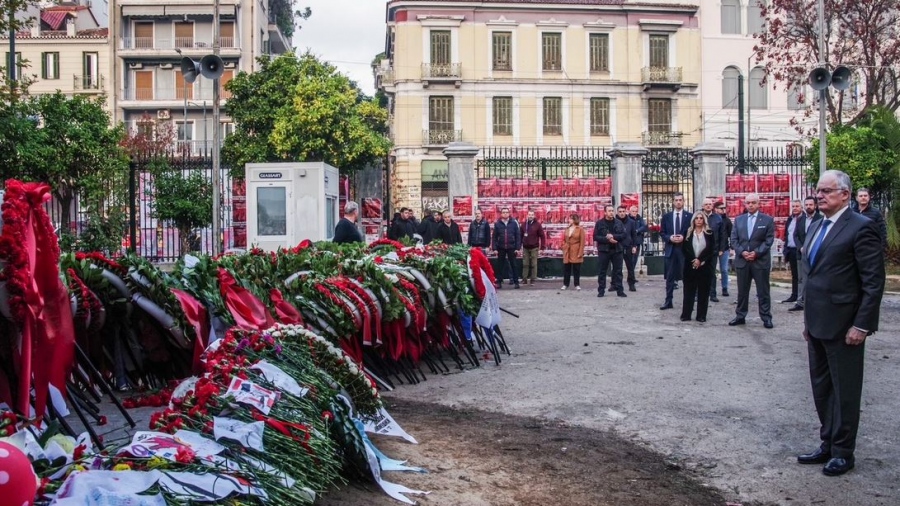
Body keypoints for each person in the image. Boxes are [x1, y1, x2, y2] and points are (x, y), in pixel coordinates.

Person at [797, 170, 884, 477]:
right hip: (817, 323)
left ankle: (844, 452)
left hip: (845, 327)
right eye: (818, 191)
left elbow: (873, 282)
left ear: (846, 195)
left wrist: (862, 325)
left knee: (844, 390)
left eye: (827, 191)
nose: (819, 195)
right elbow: (813, 276)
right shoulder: (816, 226)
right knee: (821, 388)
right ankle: (828, 443)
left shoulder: (862, 227)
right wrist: (807, 318)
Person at [728, 193, 775, 329]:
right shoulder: (739, 220)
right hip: (743, 261)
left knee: (763, 291)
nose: (750, 205)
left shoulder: (767, 220)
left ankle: (766, 317)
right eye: (748, 203)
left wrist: (756, 253)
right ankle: (740, 316)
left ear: (758, 203)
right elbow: (734, 239)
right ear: (745, 204)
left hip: (760, 261)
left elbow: (769, 240)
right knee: (742, 291)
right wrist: (742, 252)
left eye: (753, 202)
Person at [680, 212, 716, 322]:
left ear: (704, 220)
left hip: (705, 267)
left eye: (701, 218)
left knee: (703, 293)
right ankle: (686, 315)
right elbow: (684, 249)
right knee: (688, 292)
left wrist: (700, 260)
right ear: (693, 220)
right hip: (690, 266)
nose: (699, 220)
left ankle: (701, 316)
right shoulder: (688, 232)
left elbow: (711, 250)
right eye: (697, 218)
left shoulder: (709, 233)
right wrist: (694, 260)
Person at [789, 196, 823, 312]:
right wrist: (800, 247)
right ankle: (800, 302)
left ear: (815, 206)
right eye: (807, 205)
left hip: (815, 254)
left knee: (815, 278)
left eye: (811, 205)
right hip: (801, 254)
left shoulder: (821, 219)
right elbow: (795, 235)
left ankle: (815, 302)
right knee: (801, 279)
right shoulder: (800, 219)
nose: (808, 207)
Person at [659, 193, 691, 310]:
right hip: (671, 250)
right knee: (670, 277)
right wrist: (669, 238)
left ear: (683, 201)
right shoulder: (666, 217)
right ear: (673, 202)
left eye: (680, 200)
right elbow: (662, 232)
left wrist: (683, 237)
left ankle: (687, 302)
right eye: (676, 200)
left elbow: (692, 231)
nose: (678, 202)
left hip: (684, 250)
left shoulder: (690, 216)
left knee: (687, 277)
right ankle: (668, 301)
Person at [594, 205, 627, 298]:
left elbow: (624, 235)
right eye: (609, 211)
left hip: (617, 250)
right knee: (602, 271)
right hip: (604, 250)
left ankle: (620, 290)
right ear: (605, 212)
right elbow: (596, 237)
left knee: (618, 271)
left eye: (612, 210)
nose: (611, 212)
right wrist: (607, 239)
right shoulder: (599, 223)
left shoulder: (619, 222)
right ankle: (601, 290)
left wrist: (613, 236)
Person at [701, 198, 725, 302]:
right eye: (706, 204)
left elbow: (722, 235)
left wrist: (721, 249)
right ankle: (698, 294)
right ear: (703, 206)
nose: (708, 206)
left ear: (712, 206)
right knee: (699, 272)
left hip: (713, 250)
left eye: (710, 204)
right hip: (700, 250)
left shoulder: (718, 218)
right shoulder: (698, 217)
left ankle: (712, 294)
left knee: (711, 273)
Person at [492, 207, 521, 289]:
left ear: (509, 213)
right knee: (500, 265)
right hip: (501, 247)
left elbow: (518, 236)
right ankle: (499, 282)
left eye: (506, 212)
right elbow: (494, 237)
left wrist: (517, 248)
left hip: (511, 247)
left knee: (513, 265)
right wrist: (494, 248)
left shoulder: (514, 223)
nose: (505, 214)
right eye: (503, 212)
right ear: (501, 214)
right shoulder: (497, 224)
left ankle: (516, 282)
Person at [782, 200, 803, 303]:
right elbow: (787, 235)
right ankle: (794, 295)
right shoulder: (790, 219)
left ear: (801, 208)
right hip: (790, 250)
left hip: (799, 250)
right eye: (793, 206)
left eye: (797, 206)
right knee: (794, 275)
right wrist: (785, 250)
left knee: (801, 275)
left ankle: (801, 296)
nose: (795, 208)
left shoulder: (803, 219)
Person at [616, 206, 639, 292]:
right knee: (617, 267)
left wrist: (634, 246)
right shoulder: (615, 222)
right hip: (617, 247)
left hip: (628, 246)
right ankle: (615, 284)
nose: (622, 213)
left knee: (630, 267)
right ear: (617, 212)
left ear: (626, 212)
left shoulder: (631, 222)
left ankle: (631, 284)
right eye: (620, 211)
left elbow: (634, 235)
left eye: (623, 211)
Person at [520, 210, 546, 286]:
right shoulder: (524, 224)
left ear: (534, 216)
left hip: (534, 247)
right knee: (525, 264)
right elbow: (520, 236)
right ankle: (524, 279)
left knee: (533, 264)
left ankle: (533, 279)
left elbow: (542, 236)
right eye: (529, 214)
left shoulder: (538, 225)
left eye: (532, 215)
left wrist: (542, 247)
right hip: (525, 247)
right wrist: (518, 246)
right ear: (527, 215)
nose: (530, 216)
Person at [560, 214, 586, 290]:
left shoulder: (580, 229)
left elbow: (582, 242)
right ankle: (565, 284)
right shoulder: (567, 229)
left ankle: (577, 284)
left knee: (576, 268)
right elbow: (564, 239)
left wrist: (580, 252)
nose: (569, 220)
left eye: (571, 219)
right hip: (568, 250)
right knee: (566, 268)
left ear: (575, 220)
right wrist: (563, 246)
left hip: (576, 250)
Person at [628, 205, 648, 286]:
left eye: (636, 211)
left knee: (635, 260)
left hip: (637, 241)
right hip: (629, 242)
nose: (635, 213)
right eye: (633, 211)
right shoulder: (628, 219)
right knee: (630, 260)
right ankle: (630, 277)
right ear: (630, 211)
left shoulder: (640, 219)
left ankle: (631, 277)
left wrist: (637, 230)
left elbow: (644, 227)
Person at [716, 202, 733, 297]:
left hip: (725, 248)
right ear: (716, 209)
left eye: (724, 208)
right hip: (714, 249)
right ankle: (711, 289)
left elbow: (732, 234)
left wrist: (732, 248)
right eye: (721, 208)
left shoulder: (727, 221)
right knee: (711, 270)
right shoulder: (712, 219)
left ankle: (725, 288)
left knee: (724, 270)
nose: (723, 210)